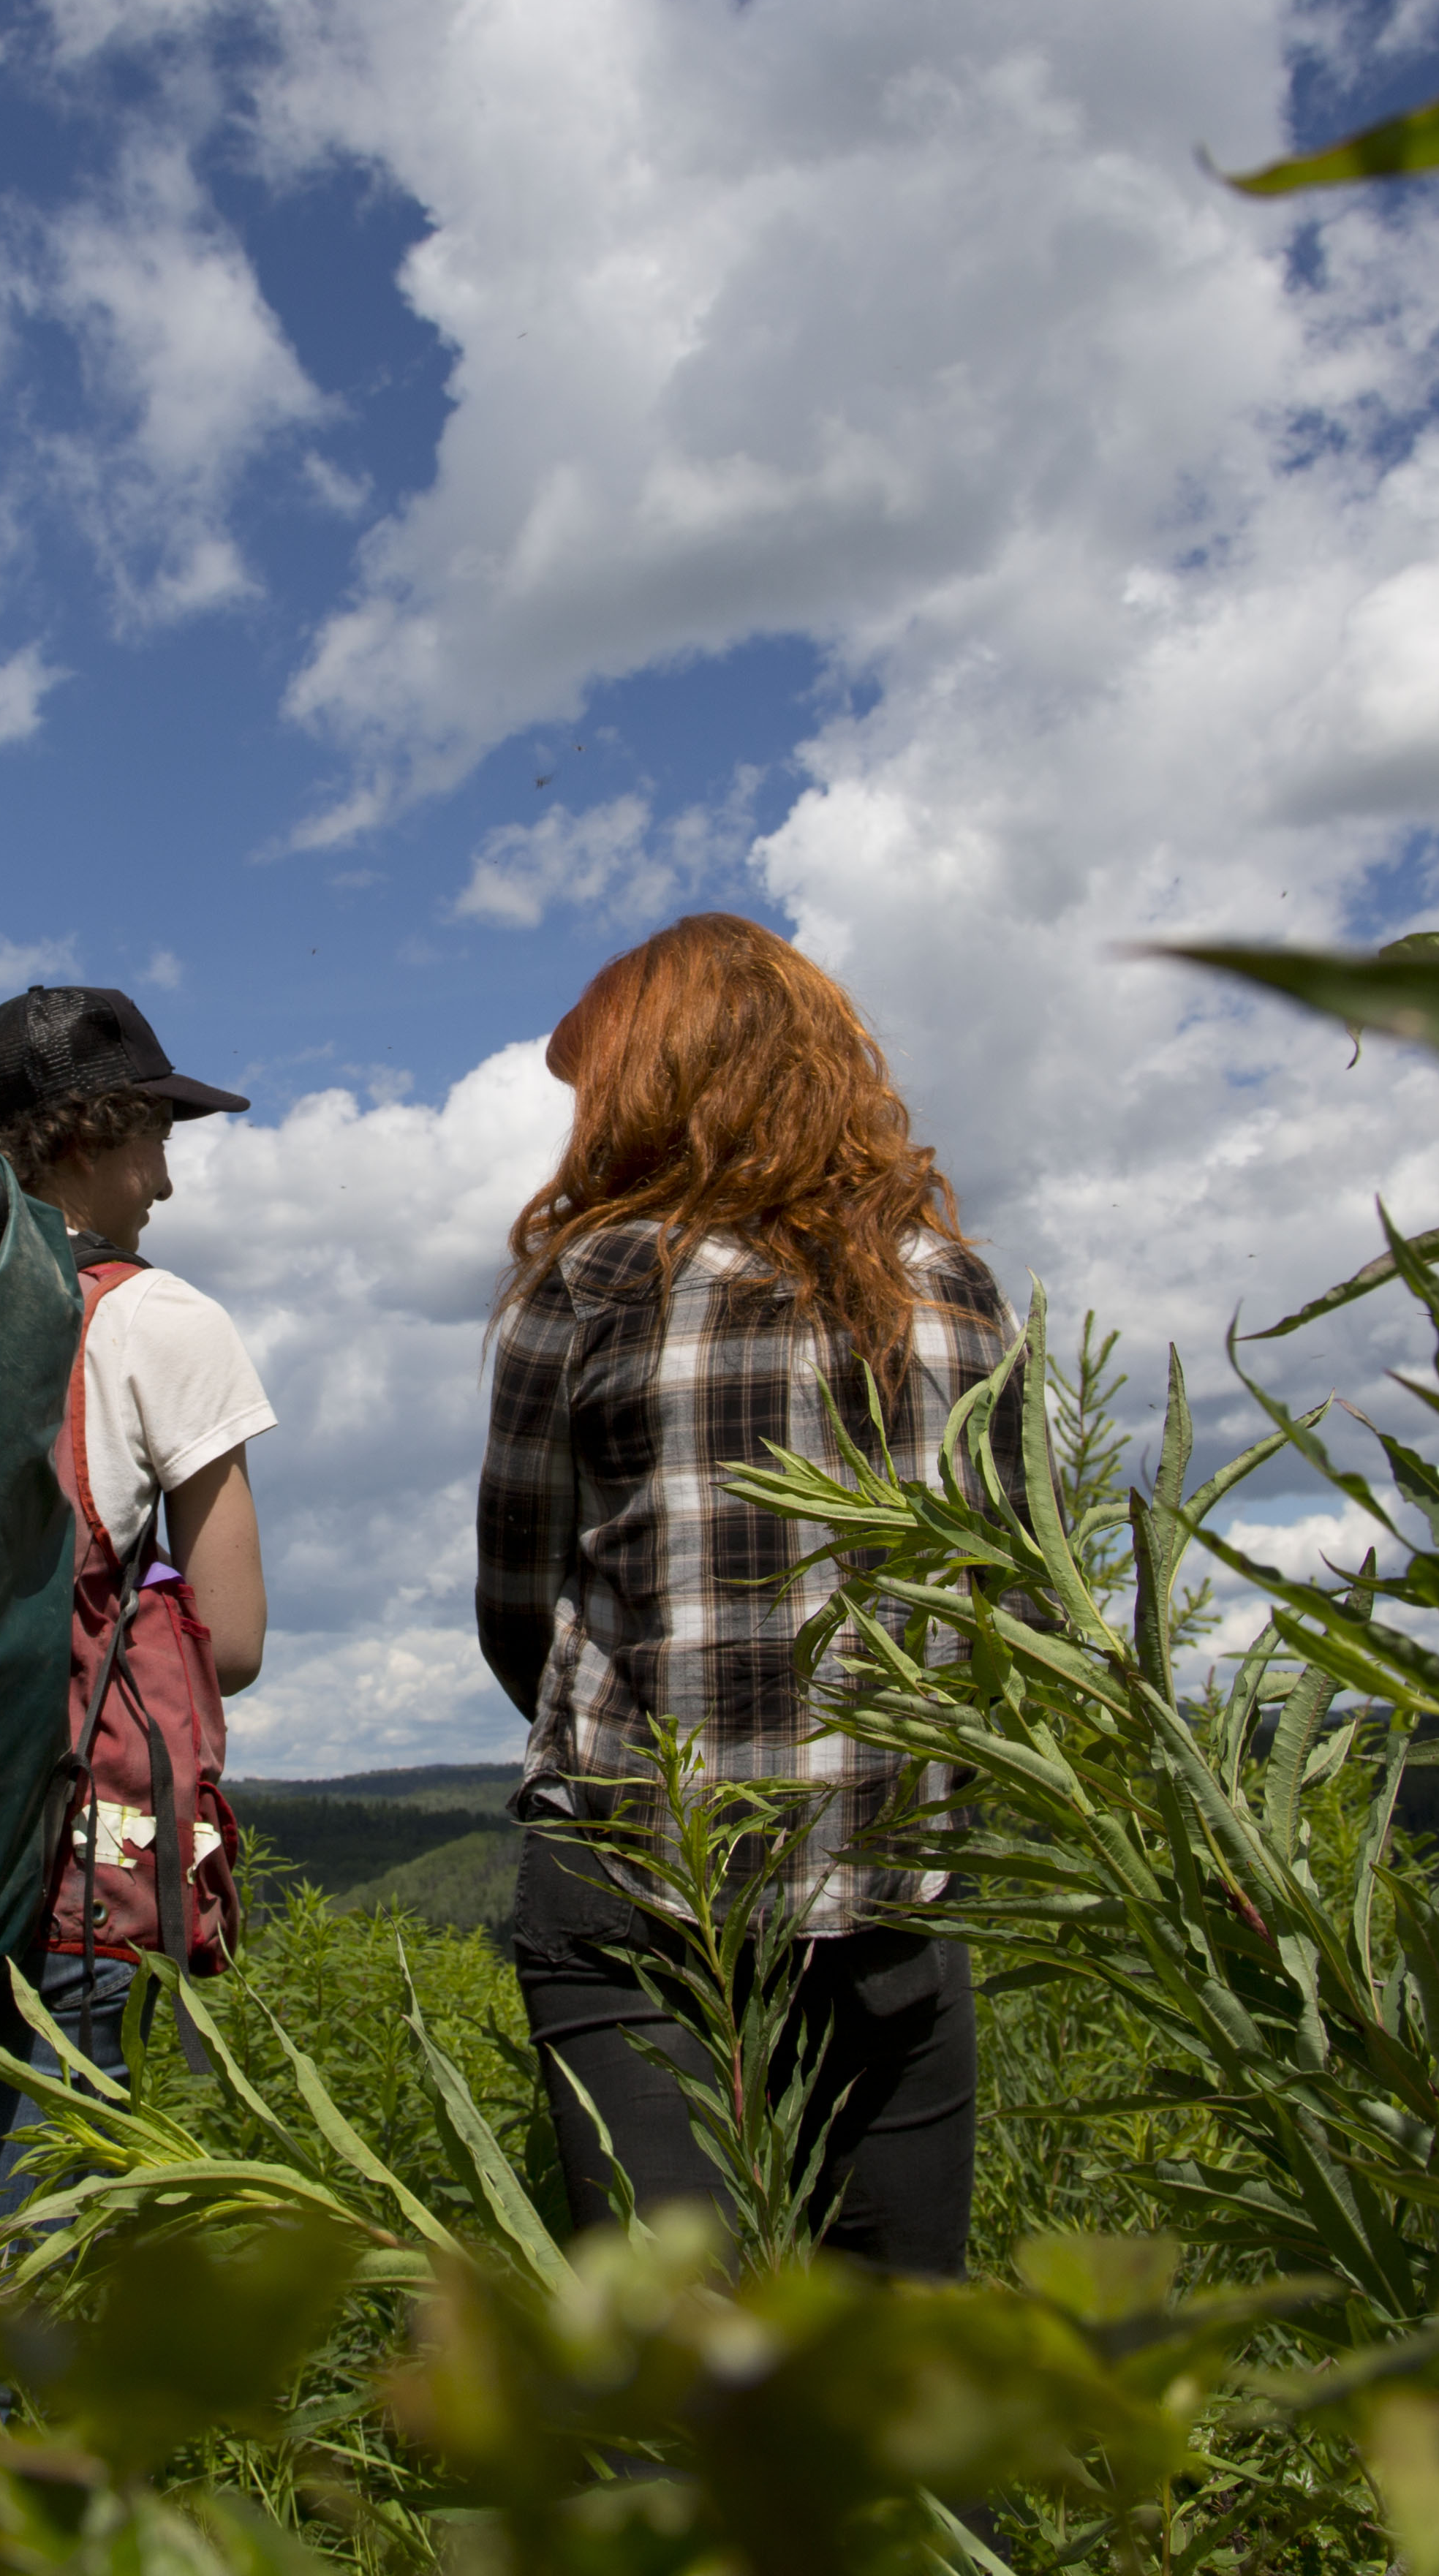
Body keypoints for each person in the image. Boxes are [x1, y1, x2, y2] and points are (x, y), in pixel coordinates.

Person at [475, 913, 1019, 2276]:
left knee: (673, 2380)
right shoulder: (950, 1288)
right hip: (895, 1873)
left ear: (659, 1080)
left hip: (641, 1886)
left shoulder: (596, 1278)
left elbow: (517, 1598)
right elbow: (1018, 1597)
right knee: (905, 2376)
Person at [0, 986, 274, 2197]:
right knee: (24, 2277)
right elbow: (230, 1643)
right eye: (155, 1142)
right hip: (62, 1871)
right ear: (87, 1139)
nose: (166, 1184)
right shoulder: (158, 1318)